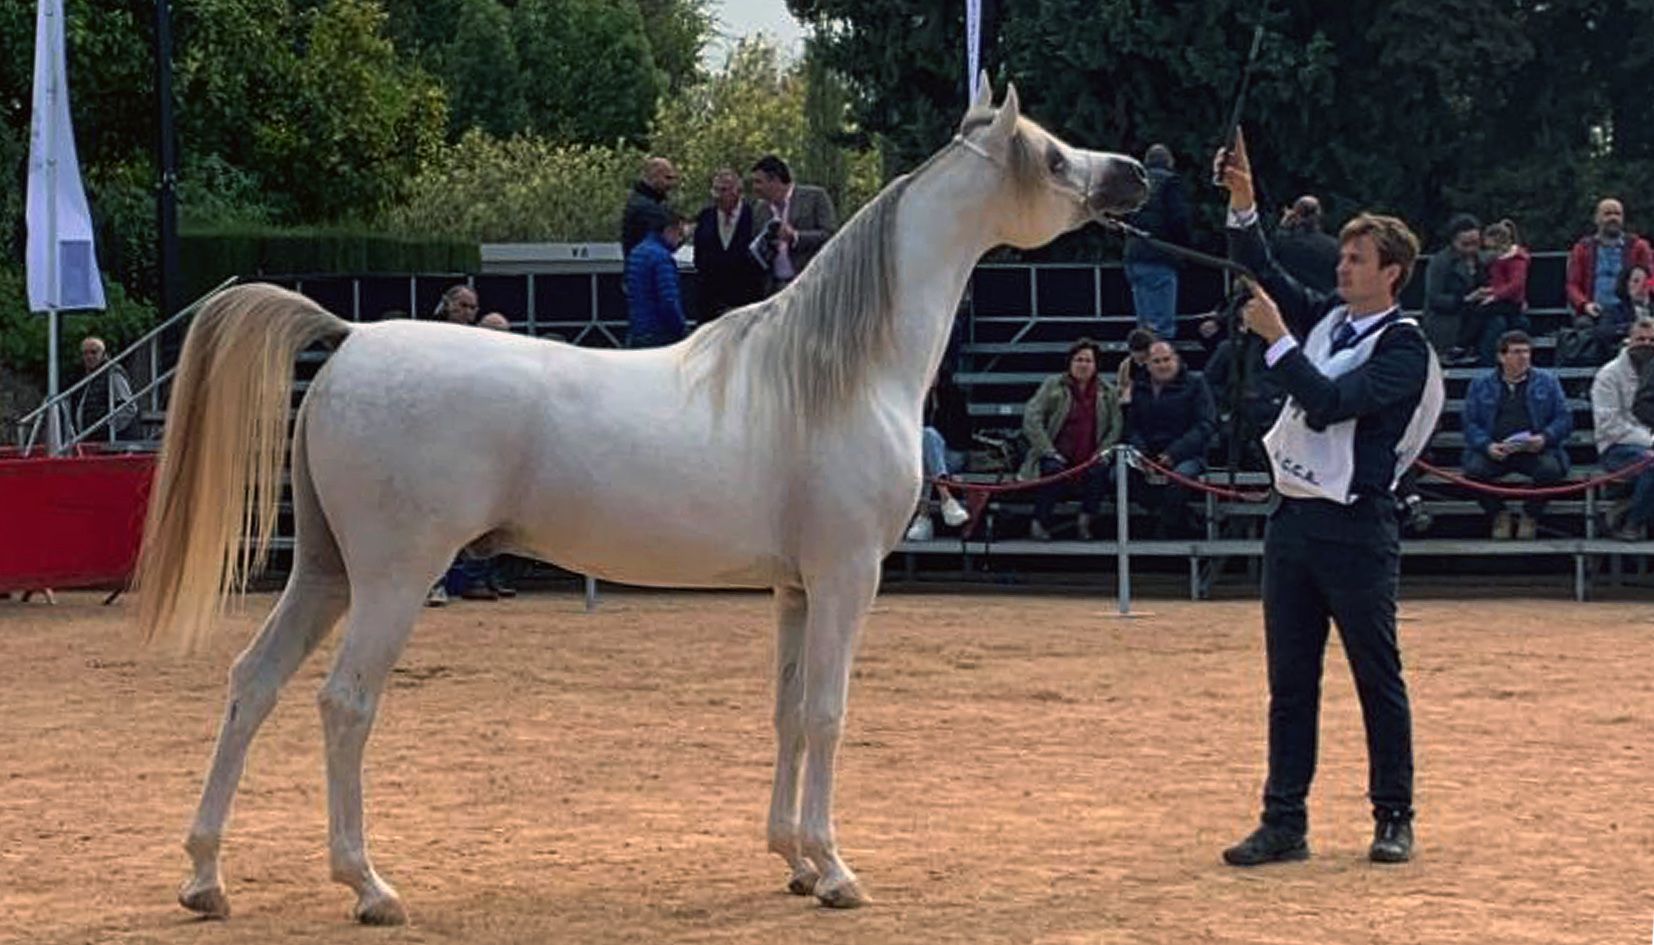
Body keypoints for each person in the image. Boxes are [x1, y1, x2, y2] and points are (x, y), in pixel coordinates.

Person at [1217, 128, 1441, 867]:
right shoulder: (1332, 319)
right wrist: (1245, 206)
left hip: (1356, 526)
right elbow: (1264, 269)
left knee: (1377, 676)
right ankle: (1285, 819)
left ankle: (1394, 814)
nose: (1342, 267)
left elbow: (1331, 403)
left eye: (1356, 259)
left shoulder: (1405, 345)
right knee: (1290, 682)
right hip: (1295, 522)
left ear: (1393, 273)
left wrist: (1279, 343)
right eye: (1343, 256)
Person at [1459, 331, 1570, 539]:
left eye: (1527, 352)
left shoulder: (1548, 381)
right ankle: (1499, 513)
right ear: (1501, 357)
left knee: (1551, 470)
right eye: (1517, 352)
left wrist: (1545, 437)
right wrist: (1487, 445)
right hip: (1495, 449)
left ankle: (1530, 514)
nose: (1524, 357)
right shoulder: (1480, 384)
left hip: (1534, 449)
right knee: (1473, 472)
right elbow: (1470, 423)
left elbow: (1564, 418)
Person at [1021, 339, 1123, 540]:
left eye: (1088, 360)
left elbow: (1116, 427)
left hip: (1091, 455)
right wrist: (1048, 450)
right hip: (1053, 452)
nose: (1083, 364)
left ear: (1095, 365)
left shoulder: (1108, 392)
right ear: (1070, 362)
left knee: (1100, 470)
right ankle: (1039, 522)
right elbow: (1032, 417)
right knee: (1052, 470)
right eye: (1078, 359)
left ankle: (1085, 522)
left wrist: (1102, 452)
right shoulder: (1052, 385)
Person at [1121, 341, 1216, 537]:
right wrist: (1142, 455)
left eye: (1166, 360)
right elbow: (1131, 427)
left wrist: (1173, 454)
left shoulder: (1196, 384)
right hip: (1146, 455)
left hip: (1186, 454)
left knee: (1180, 478)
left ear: (1177, 360)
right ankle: (1165, 518)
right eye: (1156, 361)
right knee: (1119, 475)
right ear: (1147, 364)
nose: (1162, 365)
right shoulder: (1139, 387)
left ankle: (1167, 529)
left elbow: (1205, 425)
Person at [1591, 317, 1654, 541]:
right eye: (1641, 339)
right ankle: (1632, 523)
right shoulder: (1608, 375)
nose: (1646, 344)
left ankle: (1623, 509)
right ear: (1628, 341)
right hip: (1617, 447)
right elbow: (1611, 425)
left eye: (1652, 340)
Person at [1123, 144, 1192, 339]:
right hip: (1160, 254)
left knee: (1144, 325)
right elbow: (1179, 220)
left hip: (1134, 255)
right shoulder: (1171, 183)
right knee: (1161, 327)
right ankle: (1161, 362)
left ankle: (1143, 363)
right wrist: (1183, 248)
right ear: (1170, 162)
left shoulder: (1136, 183)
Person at [749, 155, 838, 293]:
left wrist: (796, 236)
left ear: (775, 180)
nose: (755, 188)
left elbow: (830, 235)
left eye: (758, 182)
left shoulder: (815, 197)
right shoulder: (760, 209)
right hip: (774, 291)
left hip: (811, 285)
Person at [1566, 198, 1654, 331]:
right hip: (1595, 309)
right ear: (1596, 218)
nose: (1613, 218)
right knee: (1584, 326)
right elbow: (1572, 285)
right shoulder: (1582, 248)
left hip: (1630, 309)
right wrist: (1584, 304)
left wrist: (1641, 298)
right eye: (1607, 214)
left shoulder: (1639, 246)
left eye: (1617, 214)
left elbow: (1651, 279)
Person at [904, 373, 972, 541]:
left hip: (953, 454)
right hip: (929, 462)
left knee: (928, 436)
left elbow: (961, 436)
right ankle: (947, 500)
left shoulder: (953, 396)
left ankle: (924, 518)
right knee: (926, 454)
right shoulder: (915, 399)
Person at [691, 168, 764, 323]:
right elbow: (699, 258)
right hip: (710, 304)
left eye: (723, 190)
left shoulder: (754, 216)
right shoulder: (705, 217)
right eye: (715, 190)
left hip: (745, 301)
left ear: (738, 191)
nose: (717, 195)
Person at [1458, 219, 1530, 365]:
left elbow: (1516, 285)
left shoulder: (1516, 260)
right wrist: (1490, 291)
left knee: (1482, 311)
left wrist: (1495, 296)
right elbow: (1499, 282)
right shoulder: (1499, 261)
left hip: (1511, 302)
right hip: (1502, 298)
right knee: (1483, 313)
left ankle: (1463, 345)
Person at [1423, 214, 1485, 364]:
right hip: (1450, 320)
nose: (1471, 249)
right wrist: (1465, 299)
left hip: (1477, 317)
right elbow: (1434, 298)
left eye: (1475, 243)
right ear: (1453, 241)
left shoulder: (1482, 259)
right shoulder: (1441, 262)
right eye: (1465, 244)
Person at [625, 212, 688, 348]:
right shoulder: (662, 258)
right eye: (680, 234)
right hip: (659, 334)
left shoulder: (636, 252)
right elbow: (669, 301)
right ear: (669, 230)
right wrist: (682, 330)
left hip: (638, 329)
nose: (680, 240)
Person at [1272, 195, 1340, 295]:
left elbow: (1267, 265)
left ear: (1294, 215)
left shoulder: (1281, 243)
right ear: (1319, 215)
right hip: (1323, 305)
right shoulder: (1336, 247)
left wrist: (1283, 227)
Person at [74, 336, 138, 441]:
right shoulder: (85, 377)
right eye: (85, 353)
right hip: (89, 438)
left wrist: (108, 428)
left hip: (107, 440)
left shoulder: (113, 374)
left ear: (103, 354)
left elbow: (128, 408)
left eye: (94, 352)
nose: (89, 356)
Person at [621, 156, 680, 258]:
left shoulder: (650, 202)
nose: (672, 184)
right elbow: (670, 232)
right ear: (654, 176)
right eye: (668, 178)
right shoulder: (643, 206)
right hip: (646, 268)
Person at [1598, 263, 1651, 348]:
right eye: (1636, 281)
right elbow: (1603, 333)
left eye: (1645, 281)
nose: (1641, 286)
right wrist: (1631, 328)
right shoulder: (1614, 310)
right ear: (1626, 284)